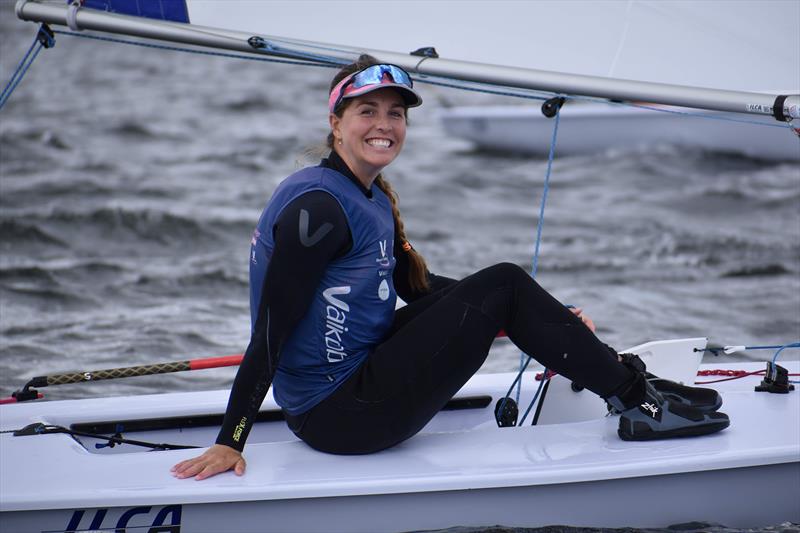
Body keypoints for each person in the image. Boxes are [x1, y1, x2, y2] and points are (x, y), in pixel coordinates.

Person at [171, 55, 729, 481]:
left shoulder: (364, 195)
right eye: (367, 111)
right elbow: (272, 329)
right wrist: (232, 439)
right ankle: (639, 403)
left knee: (505, 290)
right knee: (505, 282)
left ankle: (626, 383)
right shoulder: (318, 210)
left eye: (395, 113)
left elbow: (417, 288)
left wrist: (544, 317)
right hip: (342, 416)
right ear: (336, 123)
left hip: (353, 387)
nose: (384, 124)